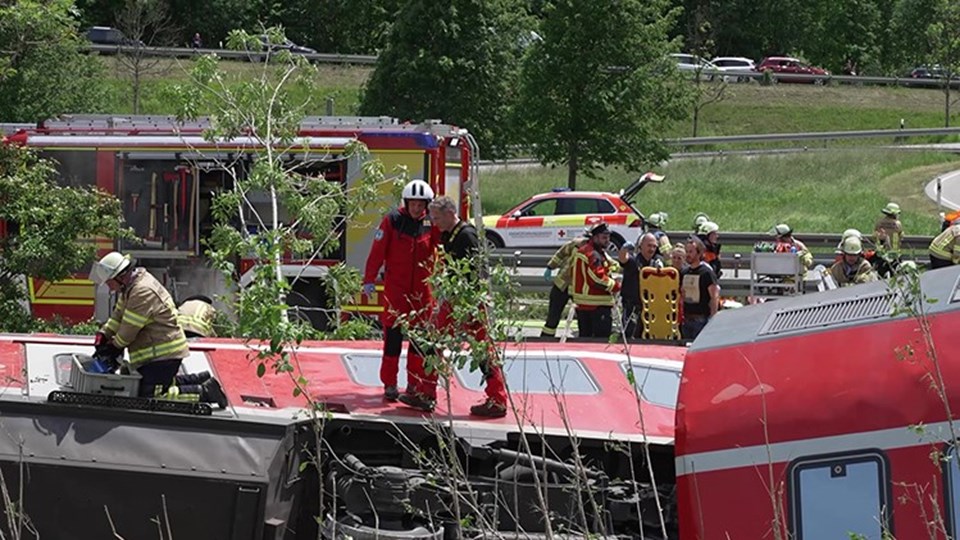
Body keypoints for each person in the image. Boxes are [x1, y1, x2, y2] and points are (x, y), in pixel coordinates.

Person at [404, 196, 508, 417]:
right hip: (454, 298)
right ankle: (426, 393)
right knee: (432, 340)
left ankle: (498, 399)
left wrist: (465, 304)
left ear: (451, 213)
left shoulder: (466, 236)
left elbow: (476, 272)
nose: (435, 222)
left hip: (468, 300)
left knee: (482, 351)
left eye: (438, 217)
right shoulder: (448, 234)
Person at [91, 252, 227, 408]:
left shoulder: (141, 292)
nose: (109, 287)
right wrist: (104, 333)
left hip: (162, 355)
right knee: (159, 384)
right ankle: (200, 379)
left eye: (109, 282)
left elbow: (128, 331)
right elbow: (117, 316)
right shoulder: (130, 287)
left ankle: (205, 392)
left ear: (120, 276)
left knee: (150, 396)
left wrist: (113, 348)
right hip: (157, 354)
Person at [363, 179, 439, 402]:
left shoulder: (430, 223)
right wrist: (369, 279)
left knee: (419, 343)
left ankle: (414, 386)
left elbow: (441, 249)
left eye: (421, 204)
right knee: (393, 340)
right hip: (396, 292)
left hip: (422, 293)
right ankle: (389, 383)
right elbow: (377, 251)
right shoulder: (392, 221)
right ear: (406, 202)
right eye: (413, 204)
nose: (417, 208)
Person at [570, 222, 621, 339]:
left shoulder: (592, 250)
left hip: (586, 304)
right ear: (595, 237)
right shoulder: (592, 254)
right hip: (596, 304)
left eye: (608, 237)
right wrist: (616, 285)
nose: (607, 240)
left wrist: (612, 268)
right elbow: (597, 279)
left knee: (585, 340)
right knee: (600, 342)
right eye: (604, 237)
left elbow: (609, 264)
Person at [540, 230, 590, 338]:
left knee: (583, 318)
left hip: (579, 289)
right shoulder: (575, 244)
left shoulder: (596, 251)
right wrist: (550, 267)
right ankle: (546, 339)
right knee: (553, 316)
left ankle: (584, 341)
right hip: (561, 284)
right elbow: (561, 253)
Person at [619, 233, 664, 338]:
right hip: (632, 307)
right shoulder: (634, 261)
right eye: (649, 246)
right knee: (630, 335)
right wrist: (624, 249)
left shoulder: (655, 263)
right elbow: (623, 259)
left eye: (654, 246)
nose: (651, 249)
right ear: (641, 246)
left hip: (649, 307)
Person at [680, 237, 719, 340]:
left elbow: (714, 296)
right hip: (687, 320)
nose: (688, 254)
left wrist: (713, 319)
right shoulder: (684, 272)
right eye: (687, 251)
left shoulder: (706, 272)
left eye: (691, 252)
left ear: (699, 253)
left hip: (701, 320)